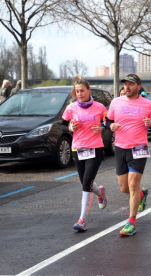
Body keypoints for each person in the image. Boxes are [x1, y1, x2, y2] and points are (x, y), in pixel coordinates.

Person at [106, 73, 151, 236]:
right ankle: (141, 194)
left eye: (131, 84)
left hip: (139, 148)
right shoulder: (116, 102)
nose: (127, 87)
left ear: (138, 86)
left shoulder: (148, 104)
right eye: (125, 84)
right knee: (123, 188)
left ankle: (131, 221)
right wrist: (111, 126)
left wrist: (150, 124)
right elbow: (107, 121)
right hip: (120, 148)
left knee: (132, 185)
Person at [61, 77, 108, 232]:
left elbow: (108, 121)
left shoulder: (100, 107)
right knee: (85, 182)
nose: (79, 93)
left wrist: (101, 127)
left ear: (89, 90)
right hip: (78, 149)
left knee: (87, 180)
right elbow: (62, 125)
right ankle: (100, 192)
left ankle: (82, 220)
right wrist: (70, 127)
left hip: (95, 148)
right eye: (77, 91)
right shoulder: (71, 108)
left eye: (82, 90)